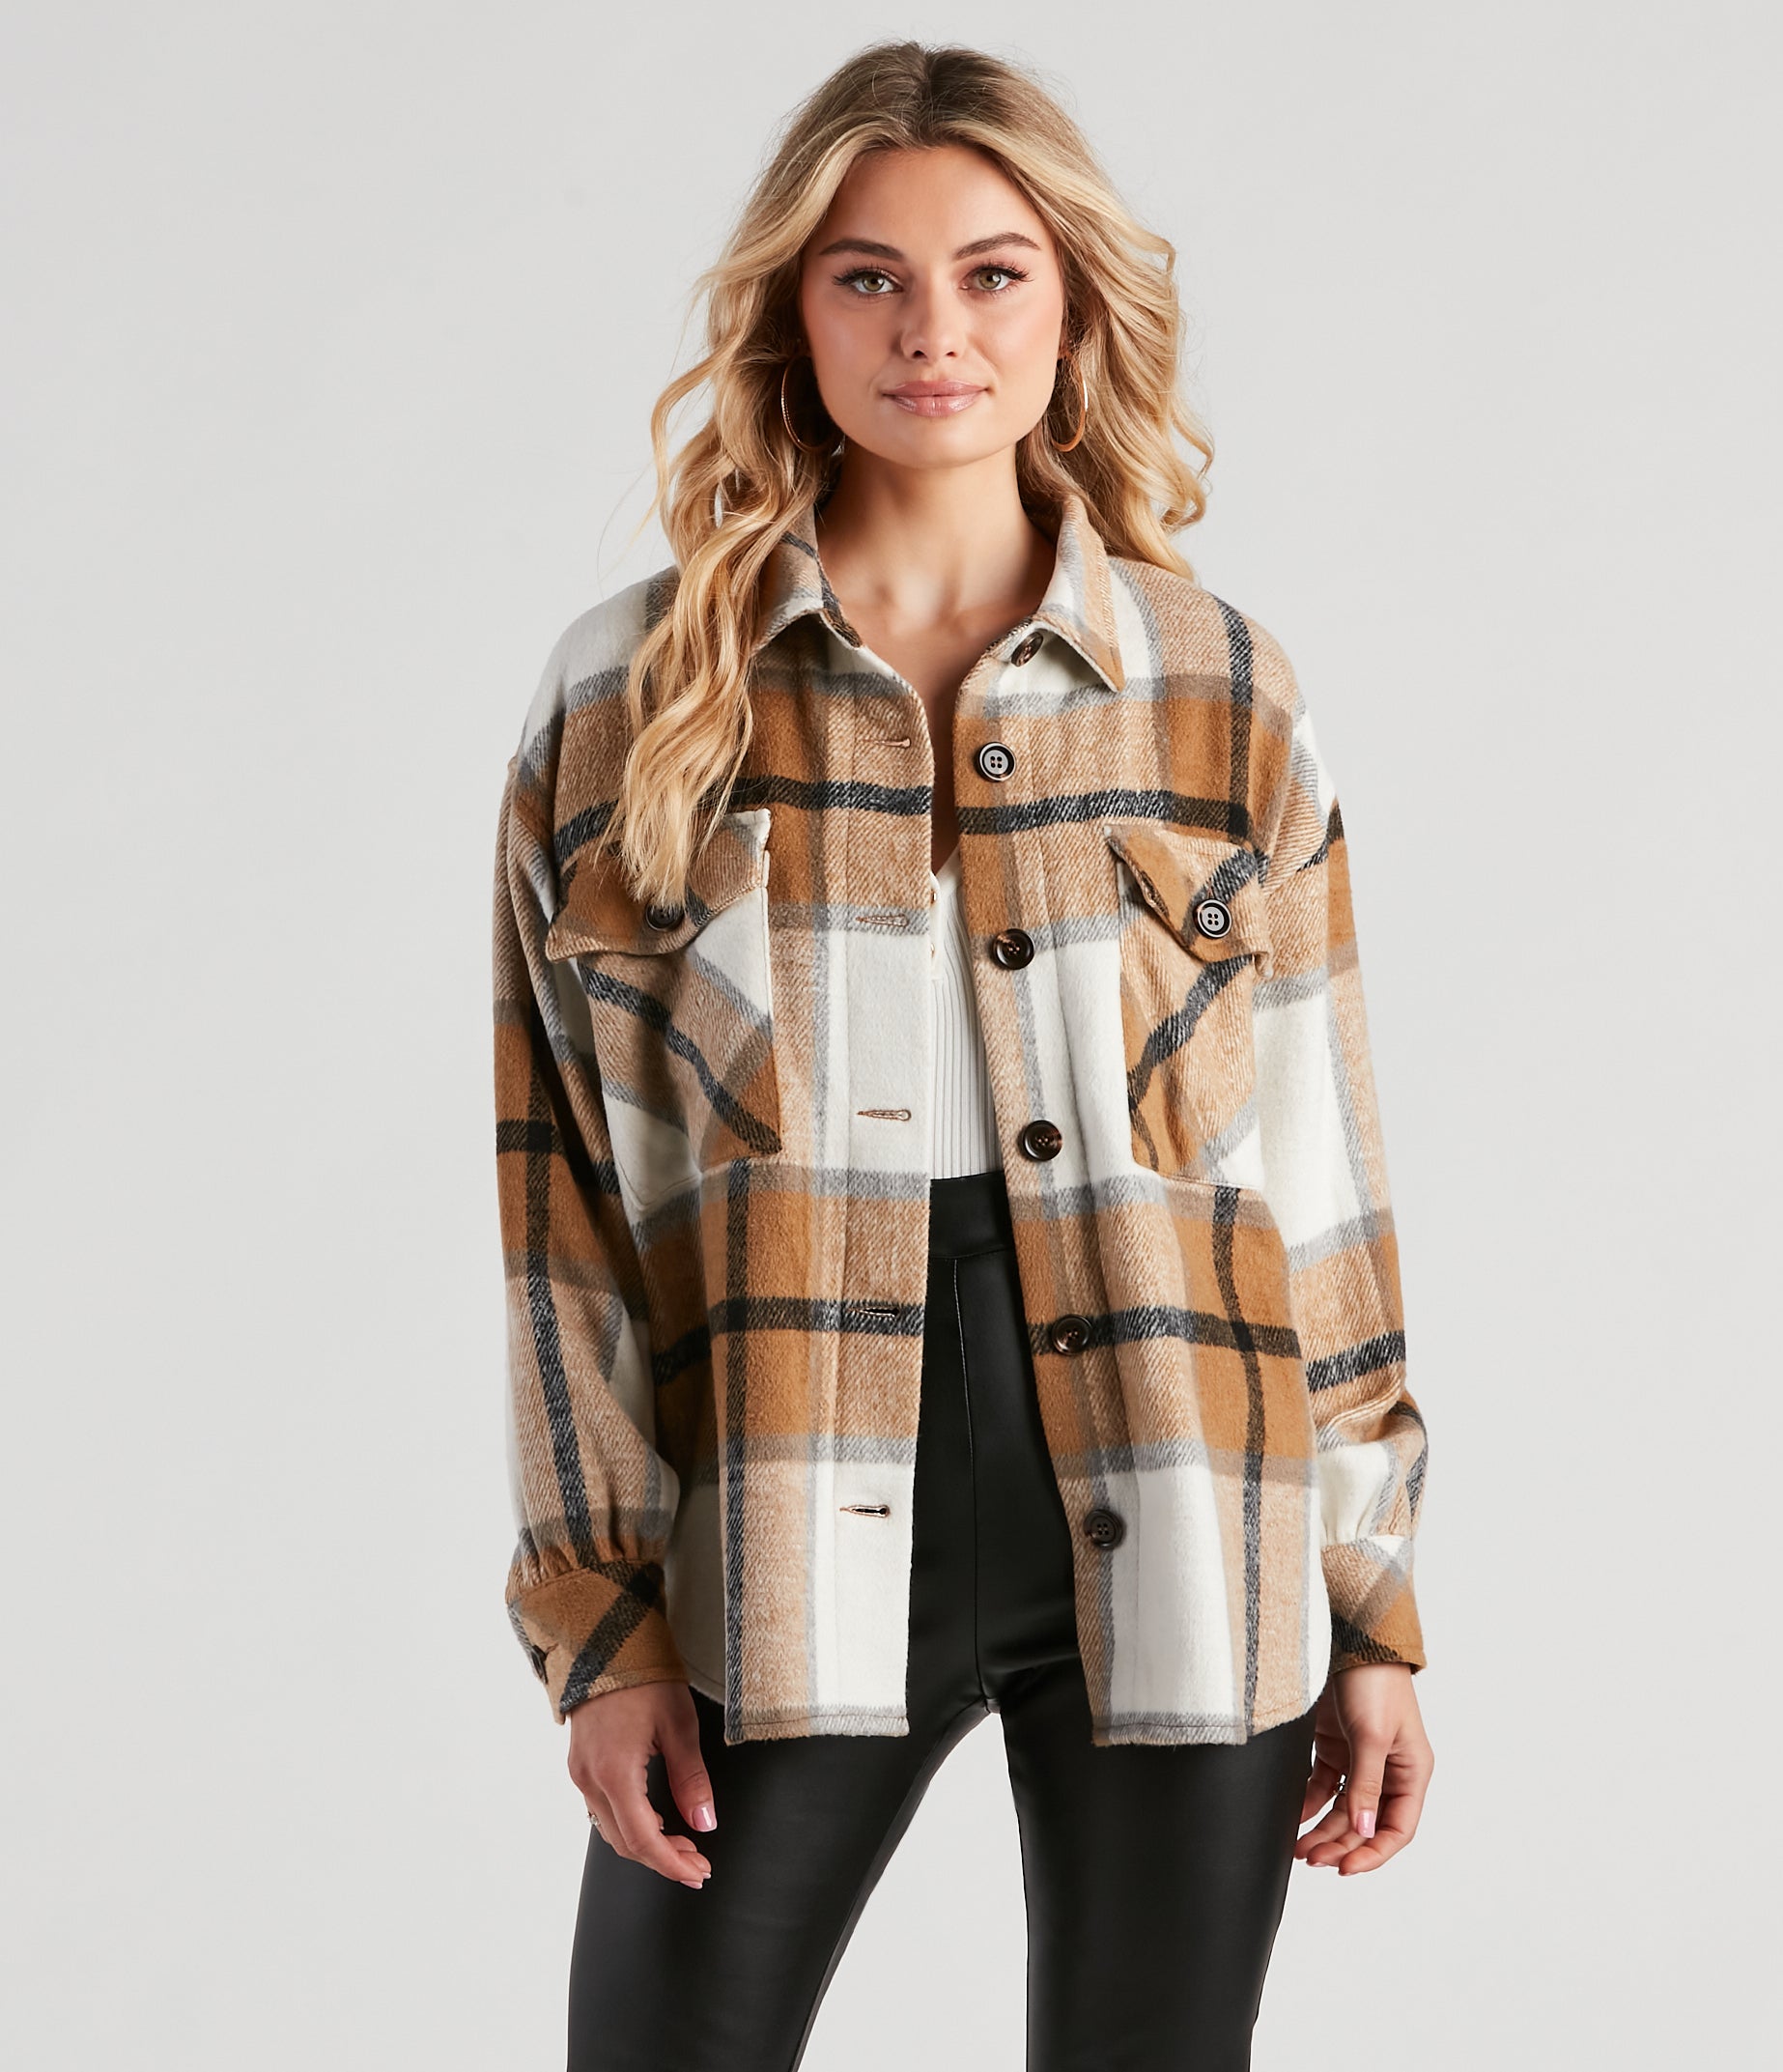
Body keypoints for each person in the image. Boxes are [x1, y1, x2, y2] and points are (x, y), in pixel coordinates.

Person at [491, 40, 1434, 2072]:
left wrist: (1369, 1597)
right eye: (870, 276)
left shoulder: (1218, 689)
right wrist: (598, 1618)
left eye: (993, 273)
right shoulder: (633, 698)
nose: (935, 329)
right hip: (782, 1494)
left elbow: (1313, 1178)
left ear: (1072, 305)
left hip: (1187, 1493)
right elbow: (562, 1201)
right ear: (793, 310)